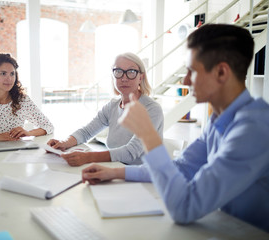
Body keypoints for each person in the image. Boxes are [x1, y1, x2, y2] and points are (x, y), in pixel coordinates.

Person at [82, 24, 269, 232]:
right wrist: (115, 173)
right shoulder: (219, 120)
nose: (186, 80)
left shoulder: (254, 128)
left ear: (221, 72)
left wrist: (147, 134)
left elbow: (185, 208)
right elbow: (181, 168)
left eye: (192, 71)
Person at [47, 52, 164, 166]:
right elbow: (86, 132)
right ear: (113, 76)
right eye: (118, 72)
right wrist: (64, 143)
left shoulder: (152, 109)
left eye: (131, 72)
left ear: (141, 77)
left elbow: (131, 152)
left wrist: (88, 157)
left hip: (141, 176)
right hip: (114, 168)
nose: (124, 78)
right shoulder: (112, 106)